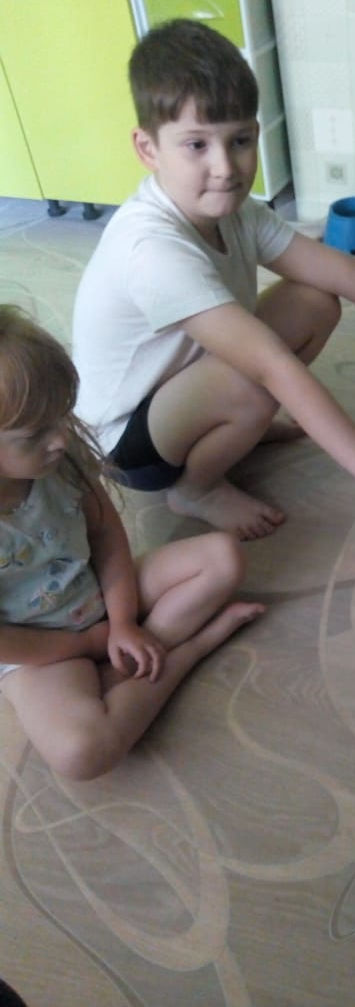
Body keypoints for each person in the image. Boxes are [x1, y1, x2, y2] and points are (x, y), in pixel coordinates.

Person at [72, 18, 355, 544]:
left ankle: (231, 427)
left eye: (239, 140)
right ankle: (195, 488)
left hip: (176, 390)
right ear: (148, 149)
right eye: (196, 145)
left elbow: (346, 272)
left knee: (316, 301)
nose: (225, 167)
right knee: (257, 382)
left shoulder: (237, 212)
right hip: (126, 443)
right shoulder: (152, 251)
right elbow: (270, 365)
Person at [0, 306, 264, 781]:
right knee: (82, 754)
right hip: (38, 647)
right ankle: (188, 651)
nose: (60, 438)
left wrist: (121, 620)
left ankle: (127, 663)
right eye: (35, 433)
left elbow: (106, 534)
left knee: (223, 556)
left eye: (62, 415)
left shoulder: (60, 458)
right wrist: (84, 643)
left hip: (98, 595)